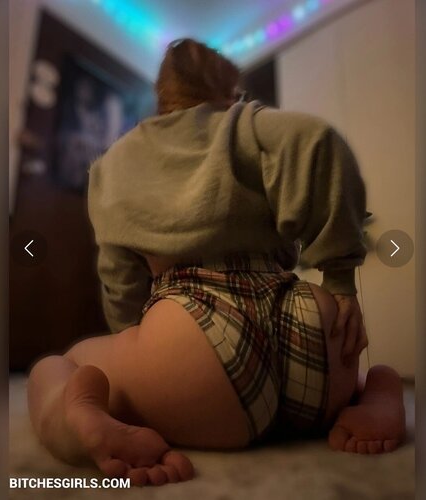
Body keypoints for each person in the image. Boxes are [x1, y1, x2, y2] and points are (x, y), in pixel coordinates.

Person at [27, 39, 406, 487]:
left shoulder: (117, 162)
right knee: (358, 375)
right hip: (308, 327)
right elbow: (317, 139)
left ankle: (69, 420)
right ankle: (380, 390)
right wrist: (339, 279)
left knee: (64, 364)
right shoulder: (248, 124)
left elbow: (120, 278)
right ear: (230, 91)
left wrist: (142, 349)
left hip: (190, 337)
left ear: (163, 95)